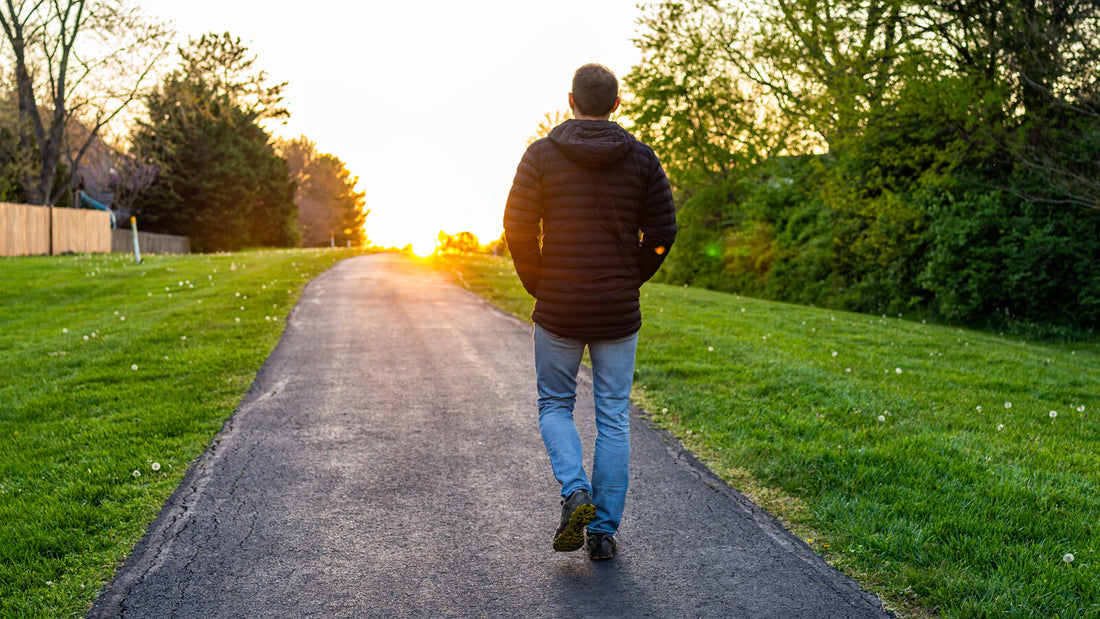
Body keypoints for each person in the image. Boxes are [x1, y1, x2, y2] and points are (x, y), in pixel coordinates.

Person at [503, 63, 677, 560]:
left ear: (571, 101)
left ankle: (574, 490)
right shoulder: (643, 159)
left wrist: (539, 282)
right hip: (617, 311)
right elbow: (662, 235)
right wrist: (630, 277)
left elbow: (517, 227)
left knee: (555, 404)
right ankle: (602, 532)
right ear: (616, 104)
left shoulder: (540, 155)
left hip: (558, 305)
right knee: (613, 417)